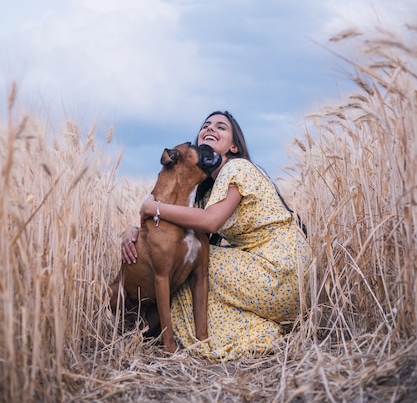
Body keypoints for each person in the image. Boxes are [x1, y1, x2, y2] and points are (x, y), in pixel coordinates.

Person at [121, 111, 311, 360]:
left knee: (188, 265)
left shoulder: (238, 167)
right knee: (191, 272)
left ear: (233, 146)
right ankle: (266, 332)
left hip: (280, 268)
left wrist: (152, 208)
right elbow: (180, 233)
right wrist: (135, 230)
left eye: (221, 127)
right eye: (206, 126)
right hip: (278, 279)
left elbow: (210, 223)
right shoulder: (208, 195)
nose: (210, 129)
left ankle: (151, 332)